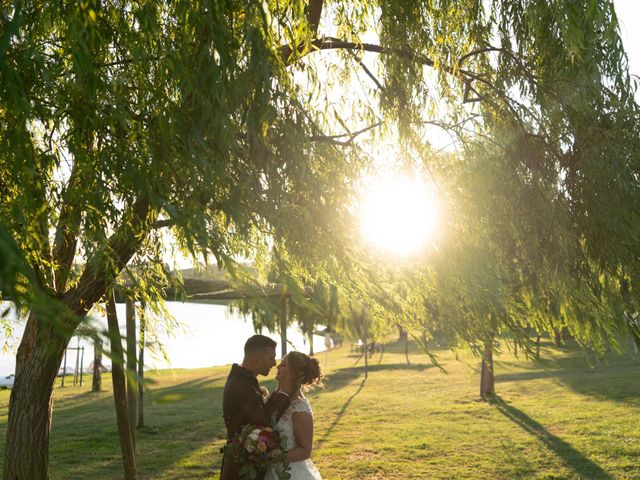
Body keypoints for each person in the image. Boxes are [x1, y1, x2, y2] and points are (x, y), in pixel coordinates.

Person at [220, 335, 296, 480]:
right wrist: (284, 392)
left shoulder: (244, 379)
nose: (274, 363)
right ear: (256, 360)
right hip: (241, 468)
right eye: (271, 358)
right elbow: (265, 421)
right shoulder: (240, 386)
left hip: (245, 462)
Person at [265, 351, 323, 480]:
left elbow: (305, 451)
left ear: (293, 374)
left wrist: (272, 457)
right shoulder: (276, 395)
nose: (278, 367)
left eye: (284, 365)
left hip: (289, 473)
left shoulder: (299, 408)